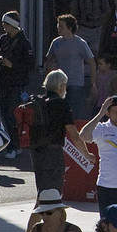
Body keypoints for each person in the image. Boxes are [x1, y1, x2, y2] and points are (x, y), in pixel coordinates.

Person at [29, 69, 73, 197]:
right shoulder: (61, 104)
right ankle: (48, 216)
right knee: (52, 194)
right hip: (52, 153)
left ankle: (51, 216)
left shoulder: (37, 101)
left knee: (42, 192)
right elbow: (74, 135)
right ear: (61, 86)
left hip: (36, 151)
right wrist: (87, 154)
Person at [44, 14, 95, 119]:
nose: (59, 28)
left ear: (70, 28)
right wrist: (48, 81)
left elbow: (92, 63)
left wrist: (93, 84)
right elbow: (49, 61)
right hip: (58, 84)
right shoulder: (56, 42)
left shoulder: (80, 43)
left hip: (75, 83)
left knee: (71, 112)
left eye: (61, 26)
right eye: (58, 25)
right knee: (57, 111)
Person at [0, 12, 33, 145]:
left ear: (12, 25)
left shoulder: (24, 43)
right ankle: (10, 143)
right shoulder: (3, 39)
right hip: (3, 81)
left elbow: (30, 65)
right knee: (4, 113)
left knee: (13, 114)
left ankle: (16, 145)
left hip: (17, 84)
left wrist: (12, 65)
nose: (3, 26)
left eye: (6, 24)